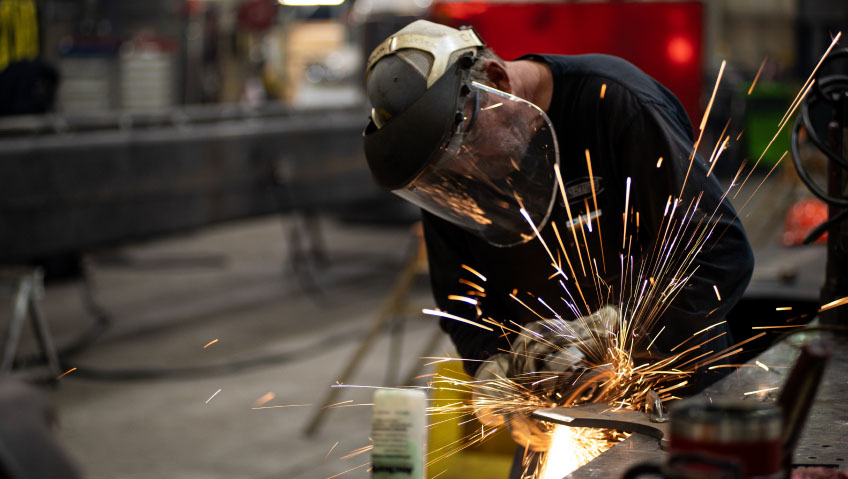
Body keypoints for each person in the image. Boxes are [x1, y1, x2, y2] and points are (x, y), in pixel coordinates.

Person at [362, 20, 754, 458]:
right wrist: (493, 367)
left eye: (466, 154)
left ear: (496, 81)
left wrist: (622, 333)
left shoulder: (615, 102)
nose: (464, 174)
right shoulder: (448, 172)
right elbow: (461, 299)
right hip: (555, 421)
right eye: (447, 171)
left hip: (677, 405)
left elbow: (721, 252)